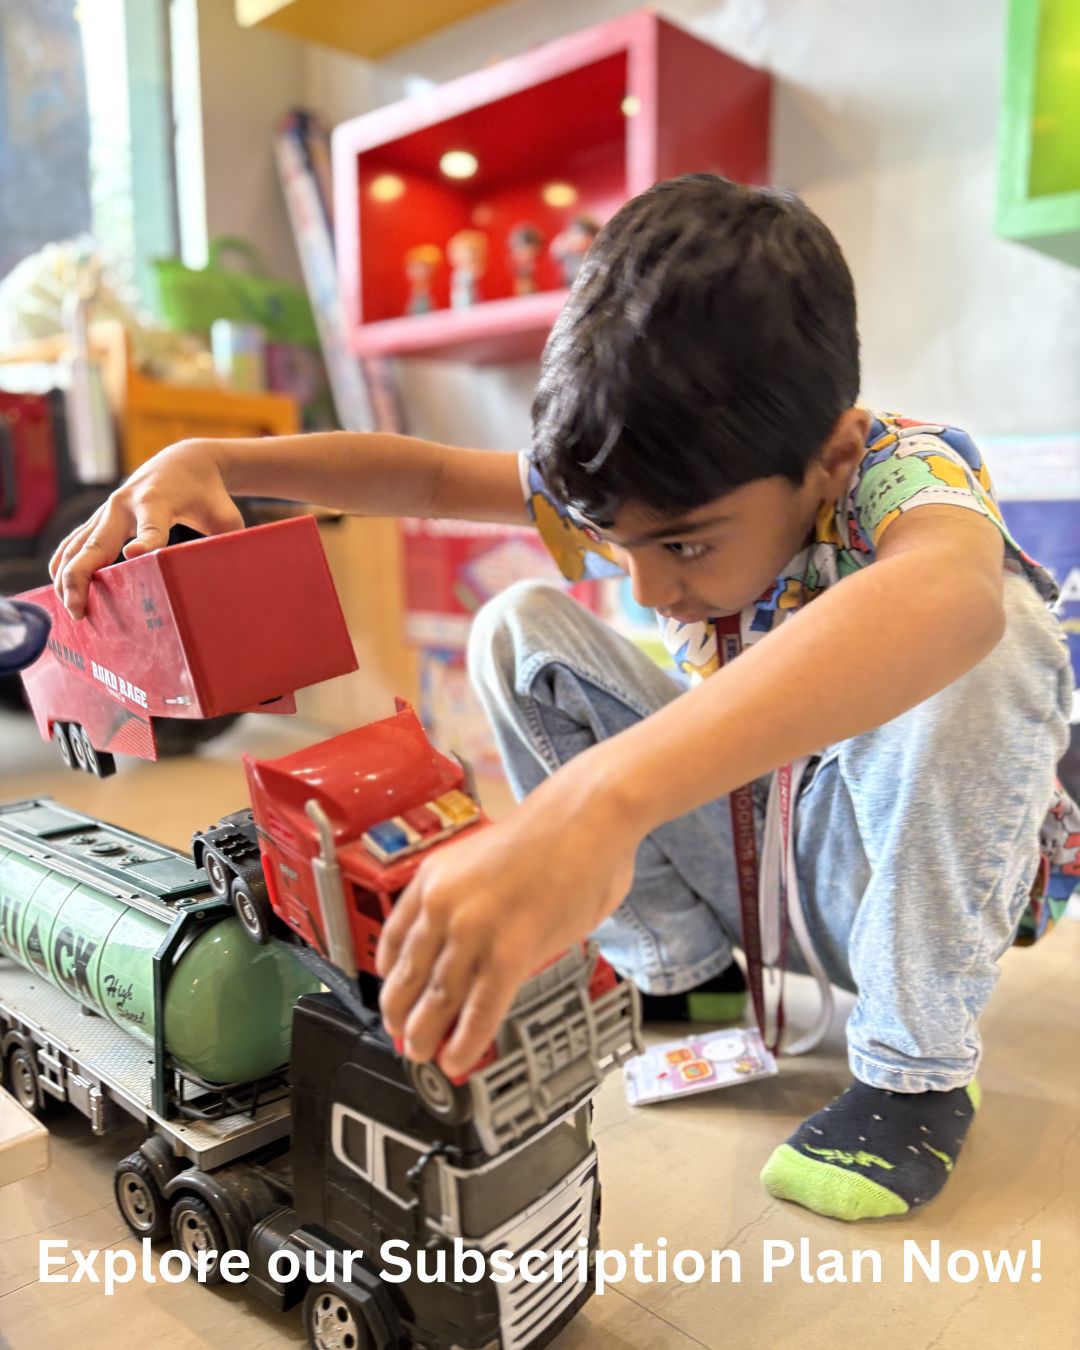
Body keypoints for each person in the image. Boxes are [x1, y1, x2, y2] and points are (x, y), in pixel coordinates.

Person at [49, 174, 1077, 1224]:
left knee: (997, 641)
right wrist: (217, 455)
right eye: (619, 543)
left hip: (889, 882)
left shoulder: (899, 476)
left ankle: (916, 1072)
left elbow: (949, 597)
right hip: (751, 863)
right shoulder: (654, 481)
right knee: (519, 629)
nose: (647, 586)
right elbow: (436, 482)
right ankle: (683, 975)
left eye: (683, 544)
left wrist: (602, 805)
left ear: (834, 457)